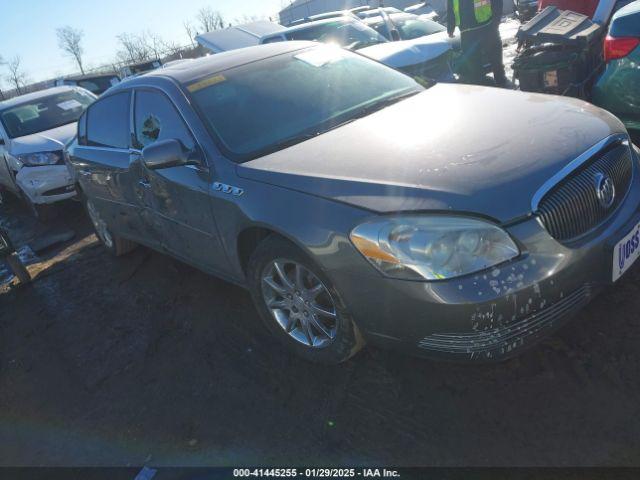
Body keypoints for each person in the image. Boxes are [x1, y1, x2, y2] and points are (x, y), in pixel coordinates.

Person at [447, 0, 507, 86]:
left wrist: (496, 20)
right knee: (474, 68)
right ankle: (481, 89)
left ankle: (502, 84)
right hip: (466, 33)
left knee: (496, 60)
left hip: (487, 27)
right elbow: (451, 8)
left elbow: (497, 2)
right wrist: (450, 27)